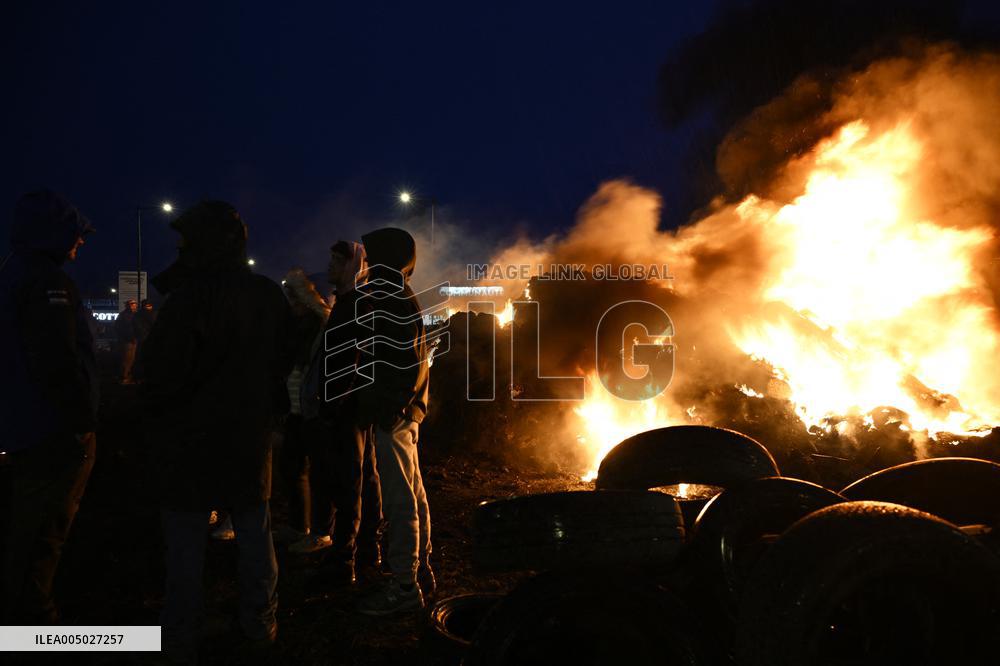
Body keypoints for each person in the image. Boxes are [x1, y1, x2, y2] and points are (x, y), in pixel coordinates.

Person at [139, 201, 291, 662]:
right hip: (248, 435)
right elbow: (283, 359)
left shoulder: (189, 299)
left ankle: (181, 634)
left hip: (190, 438)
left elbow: (161, 373)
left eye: (186, 242)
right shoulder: (266, 294)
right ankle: (260, 623)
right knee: (254, 529)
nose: (180, 250)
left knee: (186, 539)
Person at [0, 190, 98, 623]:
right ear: (52, 233)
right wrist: (80, 423)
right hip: (51, 431)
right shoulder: (47, 282)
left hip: (25, 425)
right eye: (74, 233)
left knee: (25, 526)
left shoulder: (14, 271)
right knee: (43, 530)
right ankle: (34, 626)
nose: (80, 241)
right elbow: (56, 360)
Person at [352, 228, 433, 615]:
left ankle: (405, 586)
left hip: (394, 417)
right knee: (414, 496)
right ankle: (422, 571)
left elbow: (404, 365)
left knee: (400, 502)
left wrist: (387, 411)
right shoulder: (400, 294)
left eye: (370, 257)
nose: (365, 263)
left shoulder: (392, 299)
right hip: (403, 414)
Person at [307, 241, 384, 586]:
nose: (330, 266)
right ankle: (365, 551)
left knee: (350, 484)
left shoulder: (356, 306)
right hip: (349, 409)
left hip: (347, 412)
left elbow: (352, 363)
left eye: (338, 261)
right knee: (362, 479)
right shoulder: (349, 304)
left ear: (353, 268)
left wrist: (332, 407)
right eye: (331, 259)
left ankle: (345, 559)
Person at [278, 268, 333, 553]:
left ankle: (322, 532)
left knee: (320, 474)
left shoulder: (319, 325)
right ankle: (299, 526)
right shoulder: (295, 325)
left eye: (295, 296)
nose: (292, 302)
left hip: (313, 409)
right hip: (295, 409)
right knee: (293, 468)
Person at [131, 299, 157, 382]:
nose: (150, 307)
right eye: (148, 306)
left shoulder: (137, 315)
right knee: (147, 358)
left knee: (140, 358)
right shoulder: (152, 314)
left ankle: (138, 376)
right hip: (146, 339)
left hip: (141, 339)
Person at [115, 299, 138, 384]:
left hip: (133, 340)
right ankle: (123, 377)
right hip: (127, 340)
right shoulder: (123, 315)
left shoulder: (134, 315)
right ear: (128, 305)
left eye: (135, 304)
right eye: (132, 304)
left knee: (131, 359)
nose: (134, 305)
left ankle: (127, 376)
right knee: (126, 359)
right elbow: (118, 328)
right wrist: (127, 337)